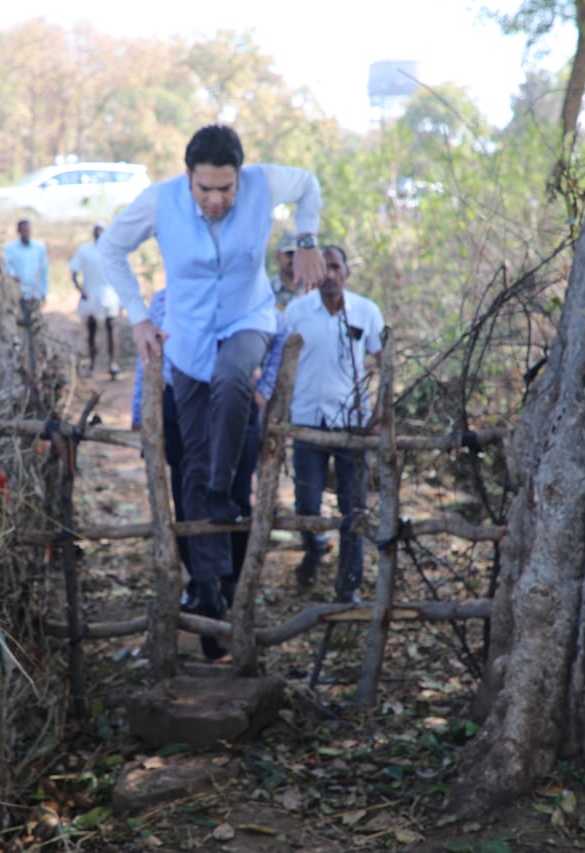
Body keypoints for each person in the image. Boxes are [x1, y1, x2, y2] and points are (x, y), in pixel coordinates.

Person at [102, 123, 325, 647]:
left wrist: (307, 239)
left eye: (227, 188)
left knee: (231, 380)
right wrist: (137, 316)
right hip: (187, 341)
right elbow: (112, 249)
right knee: (195, 469)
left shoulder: (265, 184)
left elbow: (310, 184)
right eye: (206, 188)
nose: (217, 198)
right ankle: (209, 594)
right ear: (188, 178)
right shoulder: (160, 201)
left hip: (248, 321)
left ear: (240, 178)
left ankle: (224, 495)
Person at [131, 289, 287, 626]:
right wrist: (140, 410)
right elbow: (145, 357)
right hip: (176, 402)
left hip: (232, 403)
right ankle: (204, 586)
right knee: (186, 495)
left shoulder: (243, 291)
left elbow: (281, 331)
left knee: (236, 493)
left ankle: (234, 580)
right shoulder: (162, 301)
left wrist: (263, 390)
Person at [283, 245, 385, 604]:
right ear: (313, 274)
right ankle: (314, 551)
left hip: (351, 424)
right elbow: (280, 364)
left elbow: (383, 360)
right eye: (322, 267)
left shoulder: (367, 311)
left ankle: (349, 587)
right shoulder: (296, 313)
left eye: (336, 266)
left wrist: (378, 415)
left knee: (353, 508)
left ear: (346, 272)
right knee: (307, 505)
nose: (329, 273)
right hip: (307, 420)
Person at [70, 223, 122, 379]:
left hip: (110, 294)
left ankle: (113, 364)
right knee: (92, 331)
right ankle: (93, 365)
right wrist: (80, 290)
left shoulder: (114, 251)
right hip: (91, 295)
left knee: (111, 328)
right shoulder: (85, 250)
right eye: (97, 232)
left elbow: (121, 274)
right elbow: (73, 271)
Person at [2, 218, 49, 304]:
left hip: (34, 292)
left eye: (27, 230)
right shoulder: (10, 248)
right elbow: (5, 265)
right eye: (23, 230)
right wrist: (13, 275)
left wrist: (43, 291)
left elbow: (43, 270)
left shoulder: (39, 248)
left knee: (33, 315)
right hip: (16, 292)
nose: (25, 232)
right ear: (18, 231)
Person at [269, 230, 300, 308]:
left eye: (298, 254)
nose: (294, 259)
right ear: (278, 256)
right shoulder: (267, 289)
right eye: (290, 254)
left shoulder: (311, 289)